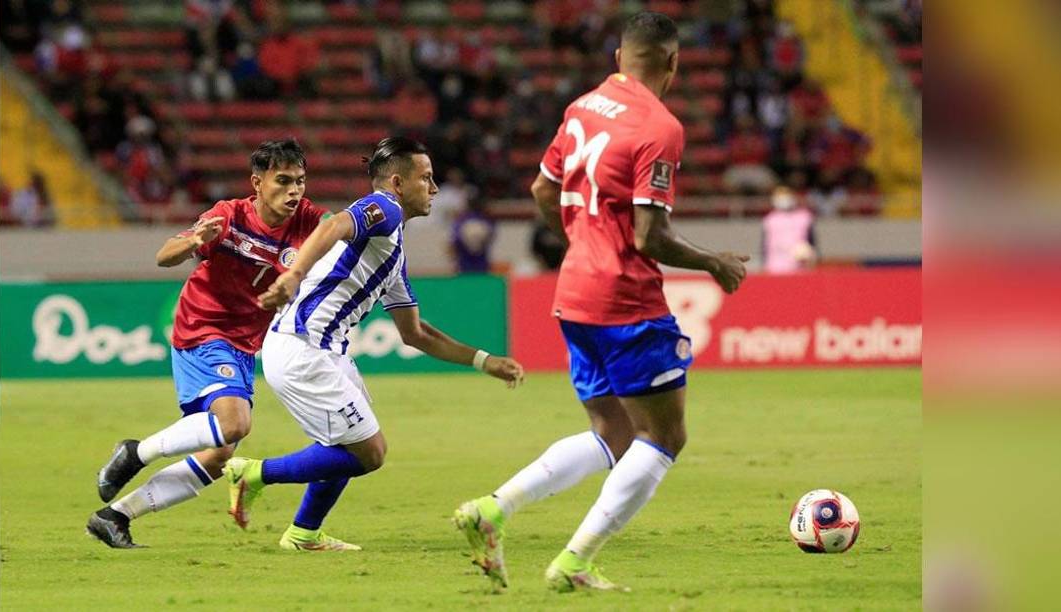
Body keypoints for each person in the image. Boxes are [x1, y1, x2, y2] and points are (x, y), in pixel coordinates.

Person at [453, 12, 750, 592]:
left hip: (575, 292)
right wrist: (714, 262)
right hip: (626, 301)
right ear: (673, 62)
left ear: (619, 57)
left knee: (612, 432)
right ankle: (575, 561)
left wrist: (582, 244)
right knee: (664, 437)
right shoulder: (660, 127)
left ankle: (494, 509)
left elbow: (542, 189)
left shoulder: (583, 107)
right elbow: (650, 235)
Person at [221, 137, 525, 552]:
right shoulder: (384, 207)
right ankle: (254, 473)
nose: (434, 188)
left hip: (322, 351)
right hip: (303, 347)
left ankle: (304, 533)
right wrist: (293, 276)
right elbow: (332, 226)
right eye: (426, 178)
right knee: (370, 452)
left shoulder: (391, 251)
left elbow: (415, 333)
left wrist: (484, 361)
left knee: (348, 440)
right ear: (397, 183)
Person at [86, 140, 326, 548]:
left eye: (300, 182)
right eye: (283, 181)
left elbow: (342, 227)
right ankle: (134, 452)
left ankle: (115, 516)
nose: (294, 191)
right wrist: (195, 241)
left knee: (219, 456)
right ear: (257, 183)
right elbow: (165, 256)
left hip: (245, 343)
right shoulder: (230, 215)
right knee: (235, 424)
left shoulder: (308, 220)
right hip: (204, 326)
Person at [761, 186, 817, 274]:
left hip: (800, 267)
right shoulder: (770, 219)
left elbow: (812, 242)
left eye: (786, 195)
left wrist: (810, 256)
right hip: (775, 266)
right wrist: (764, 264)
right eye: (780, 196)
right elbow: (764, 245)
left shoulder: (804, 217)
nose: (784, 199)